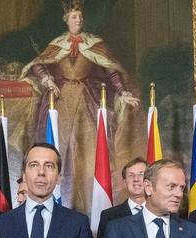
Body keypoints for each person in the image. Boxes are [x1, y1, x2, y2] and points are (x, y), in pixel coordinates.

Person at [21, 0, 139, 212]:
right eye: (74, 17)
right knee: (60, 151)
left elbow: (112, 71)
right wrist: (47, 80)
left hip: (88, 100)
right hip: (61, 101)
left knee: (88, 154)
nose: (78, 20)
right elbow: (38, 65)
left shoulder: (95, 43)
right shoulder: (58, 43)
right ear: (66, 20)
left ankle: (91, 205)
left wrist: (123, 92)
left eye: (81, 17)